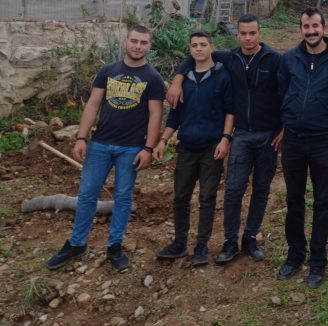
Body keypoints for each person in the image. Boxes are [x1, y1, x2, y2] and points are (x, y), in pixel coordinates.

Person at [46, 25, 165, 272]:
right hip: (100, 144)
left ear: (149, 46)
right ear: (125, 41)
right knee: (87, 194)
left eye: (143, 42)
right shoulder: (108, 71)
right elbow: (93, 104)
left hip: (131, 148)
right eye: (134, 41)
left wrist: (148, 148)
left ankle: (115, 246)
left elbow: (156, 114)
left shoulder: (152, 78)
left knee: (123, 196)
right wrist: (81, 137)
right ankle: (76, 243)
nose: (138, 46)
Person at [166, 14, 282, 264]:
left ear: (260, 33)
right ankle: (230, 240)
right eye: (243, 33)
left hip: (268, 135)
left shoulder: (274, 60)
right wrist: (177, 79)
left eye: (252, 33)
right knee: (233, 189)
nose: (248, 38)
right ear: (237, 34)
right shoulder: (230, 58)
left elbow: (287, 92)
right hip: (241, 134)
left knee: (261, 188)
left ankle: (250, 238)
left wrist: (284, 127)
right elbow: (195, 56)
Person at [275, 7, 328, 288]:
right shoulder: (289, 59)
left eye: (315, 26)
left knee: (323, 201)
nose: (311, 31)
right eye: (306, 27)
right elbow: (281, 91)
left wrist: (326, 112)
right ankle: (295, 254)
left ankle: (318, 261)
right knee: (294, 199)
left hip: (323, 140)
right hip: (293, 140)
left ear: (324, 28)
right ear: (301, 29)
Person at [156, 31, 234, 266]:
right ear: (190, 50)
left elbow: (230, 111)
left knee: (207, 197)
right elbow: (175, 116)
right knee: (181, 196)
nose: (198, 49)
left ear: (212, 47)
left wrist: (225, 138)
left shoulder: (223, 77)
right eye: (194, 45)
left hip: (212, 147)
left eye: (203, 44)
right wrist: (163, 140)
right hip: (187, 147)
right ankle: (179, 242)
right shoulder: (184, 81)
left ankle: (201, 246)